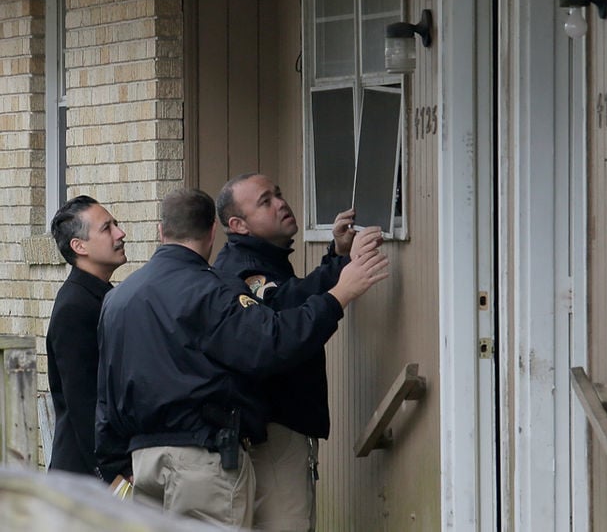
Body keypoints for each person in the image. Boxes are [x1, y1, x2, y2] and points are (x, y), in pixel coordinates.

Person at [95, 188, 388, 527]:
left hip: (143, 463)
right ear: (213, 232)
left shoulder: (118, 299)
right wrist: (339, 295)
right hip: (201, 461)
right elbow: (270, 344)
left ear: (162, 231)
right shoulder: (211, 290)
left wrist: (114, 467)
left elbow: (105, 394)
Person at [213, 173, 382, 532]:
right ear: (237, 224)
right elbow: (287, 314)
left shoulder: (263, 256)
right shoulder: (241, 269)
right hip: (273, 428)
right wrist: (344, 277)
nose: (280, 203)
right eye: (265, 201)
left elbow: (296, 294)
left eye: (278, 193)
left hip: (282, 426)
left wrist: (338, 255)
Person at [47, 195, 126, 480]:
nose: (120, 233)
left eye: (116, 225)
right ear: (79, 246)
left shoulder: (102, 296)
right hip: (86, 479)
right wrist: (114, 473)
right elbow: (84, 402)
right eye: (107, 228)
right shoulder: (75, 307)